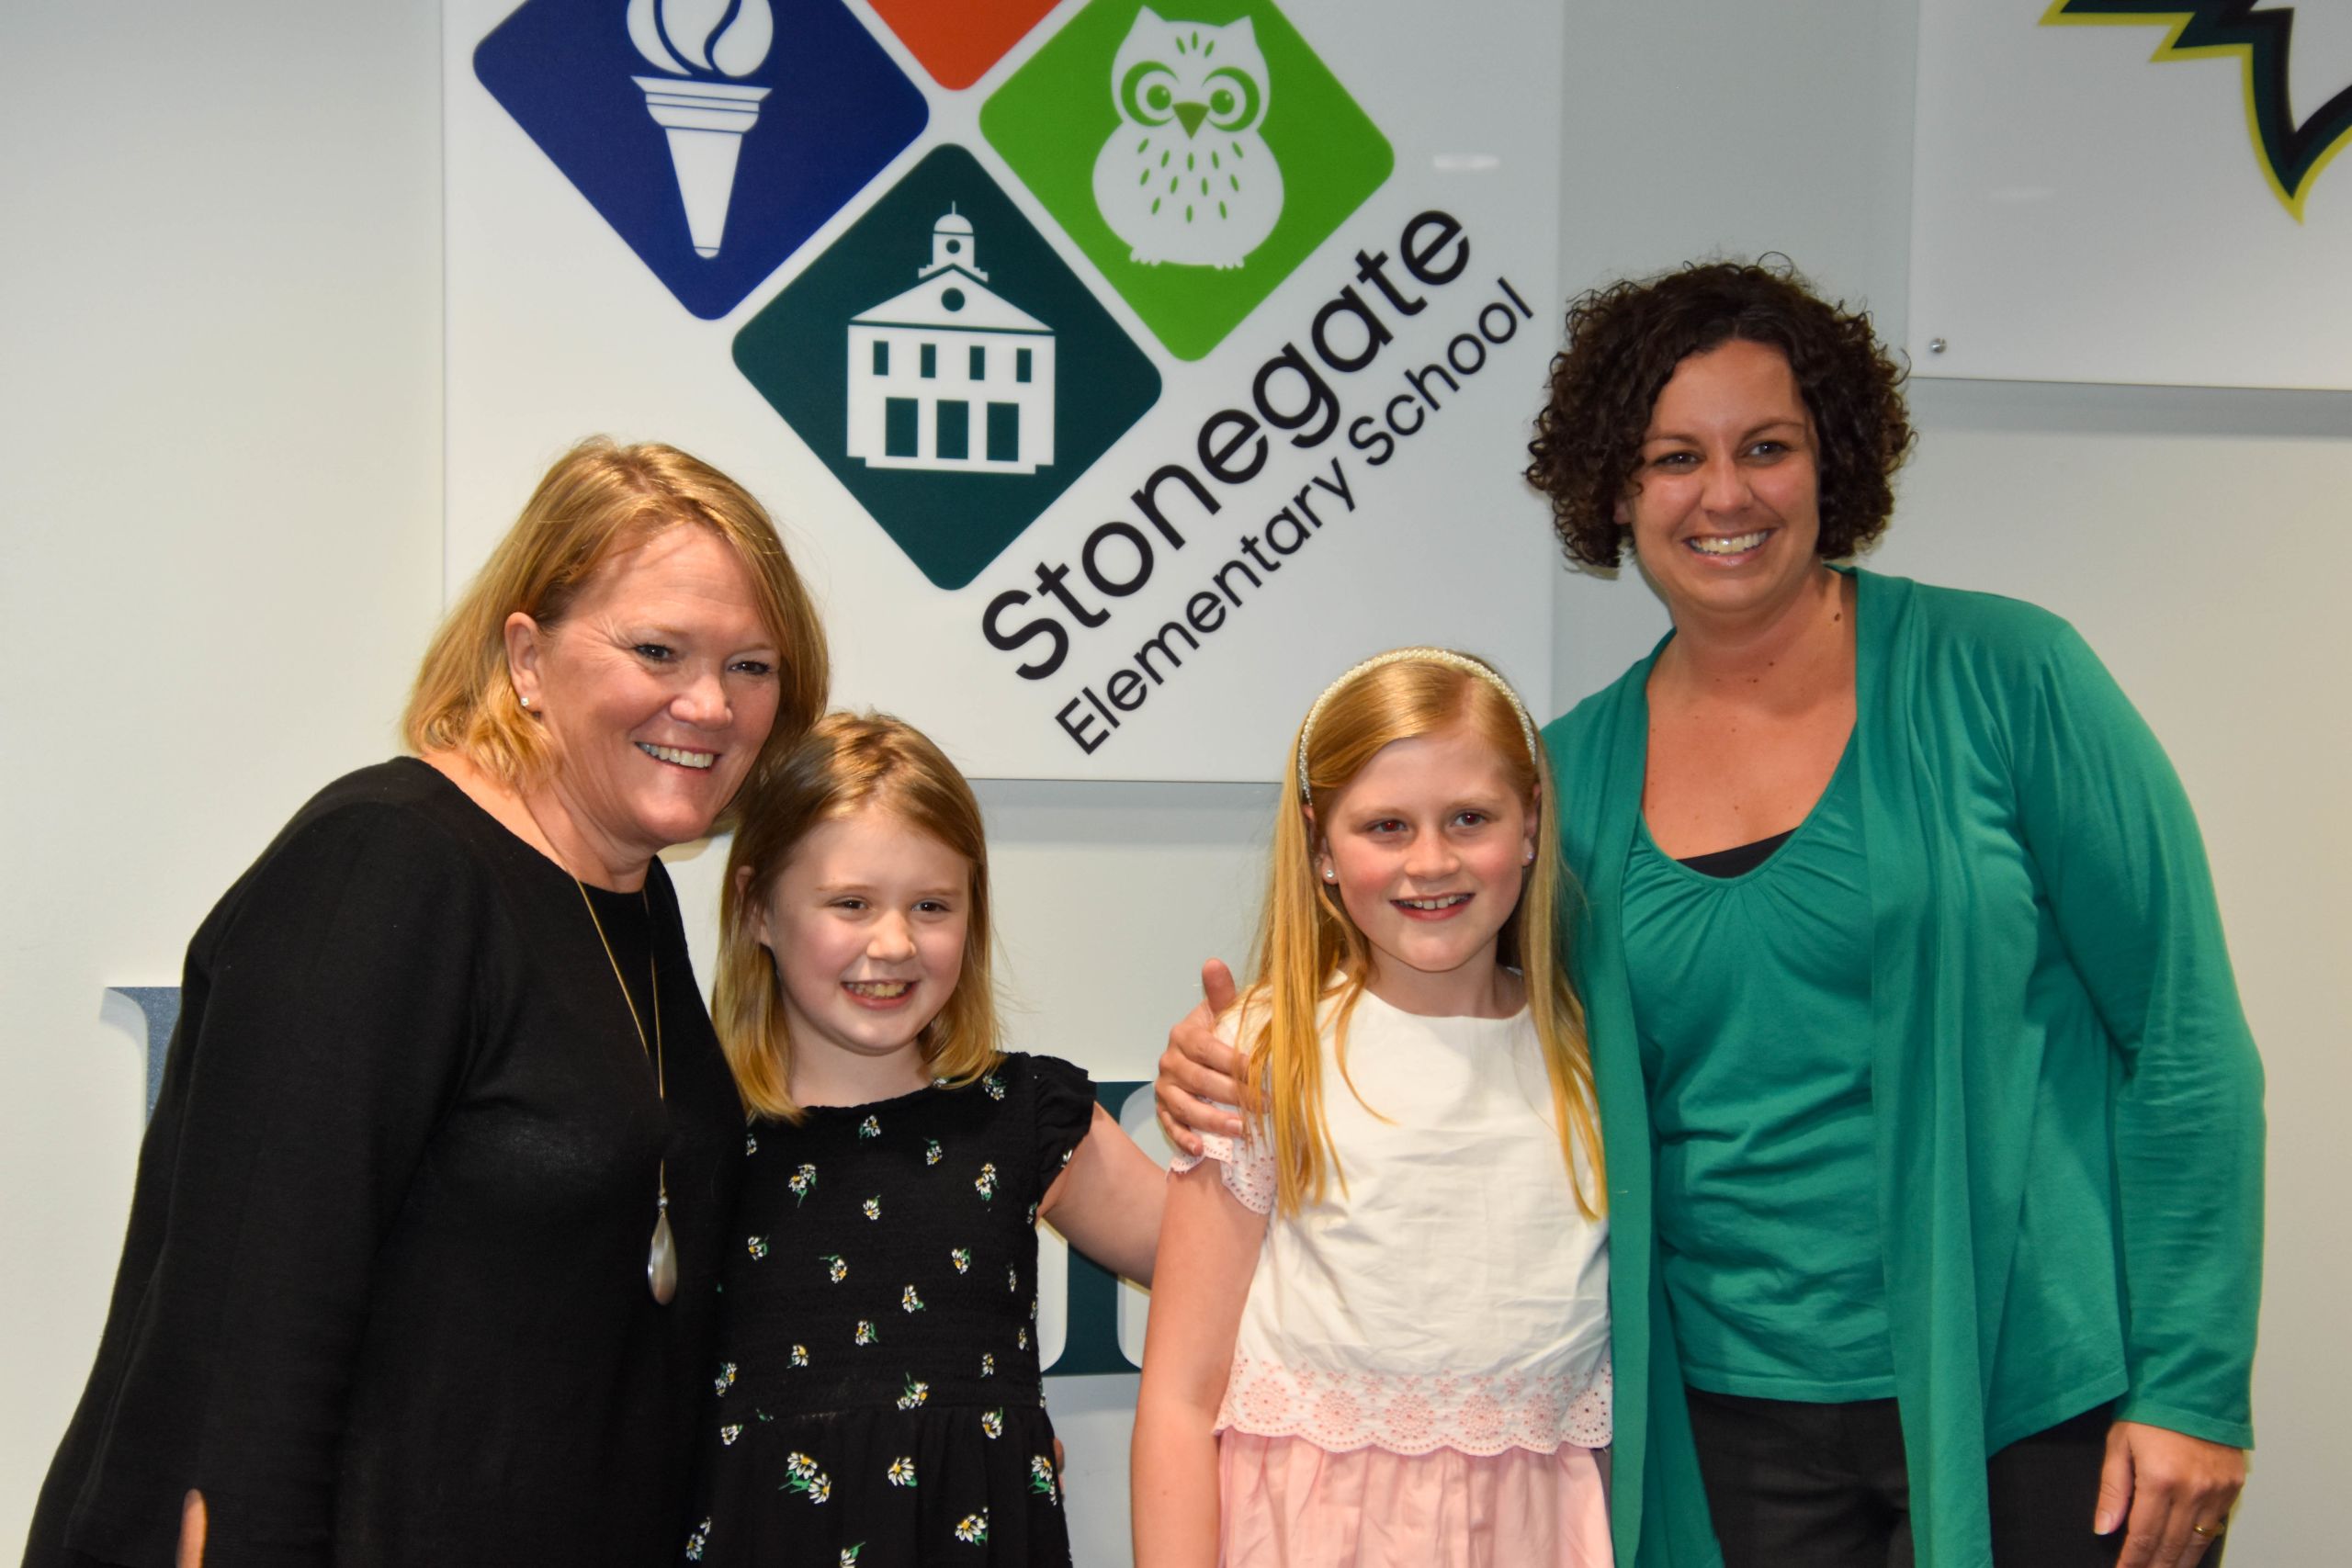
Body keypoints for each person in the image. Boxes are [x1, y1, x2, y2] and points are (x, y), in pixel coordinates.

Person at [1159, 262, 2265, 1568]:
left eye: (1767, 447)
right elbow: (1429, 997)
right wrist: (1225, 1060)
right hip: (1723, 1435)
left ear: (1832, 460)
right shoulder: (1568, 778)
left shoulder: (2010, 679)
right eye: (1675, 457)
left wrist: (2192, 1384)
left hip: (2032, 1395)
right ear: (1615, 490)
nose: (1724, 494)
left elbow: (2182, 1037)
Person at [27, 437, 830, 1568]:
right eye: (658, 650)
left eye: (751, 666)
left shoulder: (630, 891)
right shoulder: (386, 865)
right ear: (527, 656)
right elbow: (248, 1324)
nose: (709, 704)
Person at [1132, 649, 1612, 1568]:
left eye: (1469, 818)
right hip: (1310, 1534)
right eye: (1386, 826)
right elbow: (1180, 1396)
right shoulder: (1259, 1053)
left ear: (1529, 824)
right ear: (1321, 846)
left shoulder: (1594, 1054)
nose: (1431, 861)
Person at [684, 712, 1165, 1567]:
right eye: (851, 903)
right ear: (757, 908)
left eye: (932, 905)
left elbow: (1238, 1269)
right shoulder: (690, 1132)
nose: (895, 943)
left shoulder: (1022, 1114)